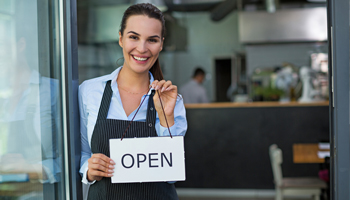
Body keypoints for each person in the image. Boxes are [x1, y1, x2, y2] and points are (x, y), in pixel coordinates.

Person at [78, 3, 187, 200]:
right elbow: (81, 154)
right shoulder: (89, 91)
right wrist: (88, 169)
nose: (142, 48)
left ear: (161, 44)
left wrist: (166, 117)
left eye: (152, 40)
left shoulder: (172, 100)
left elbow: (171, 174)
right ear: (121, 38)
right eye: (134, 37)